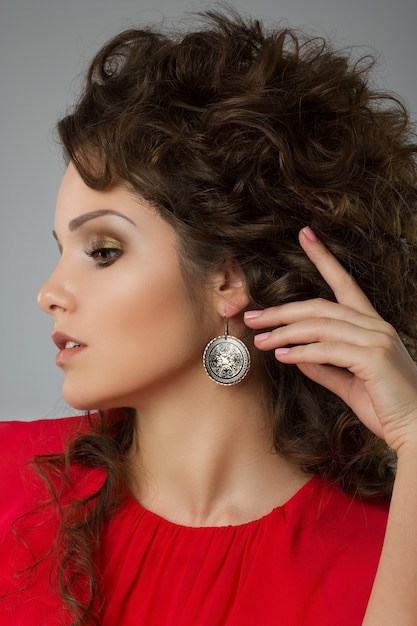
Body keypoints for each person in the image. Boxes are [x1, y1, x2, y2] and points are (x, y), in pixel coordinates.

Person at [1, 6, 417, 625]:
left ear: (228, 279)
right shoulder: (11, 482)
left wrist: (414, 436)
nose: (49, 293)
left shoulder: (382, 547)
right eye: (59, 250)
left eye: (103, 251)